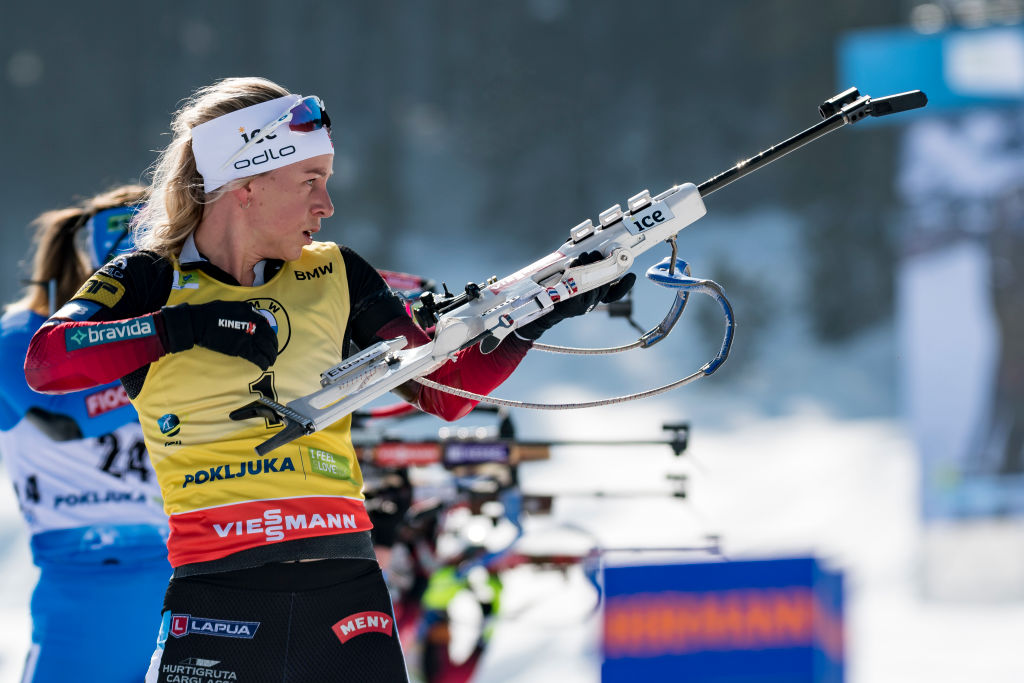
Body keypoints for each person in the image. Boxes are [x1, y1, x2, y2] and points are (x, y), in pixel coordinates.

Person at [24, 76, 633, 681]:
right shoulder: (149, 277)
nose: (327, 204)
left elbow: (443, 392)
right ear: (246, 184)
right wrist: (187, 327)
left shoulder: (340, 272)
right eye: (310, 181)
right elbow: (47, 361)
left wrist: (547, 309)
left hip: (346, 594)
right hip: (219, 593)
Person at [0, 186, 169, 682]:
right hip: (82, 579)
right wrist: (173, 341)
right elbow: (65, 414)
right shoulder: (19, 335)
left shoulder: (166, 332)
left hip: (183, 566)